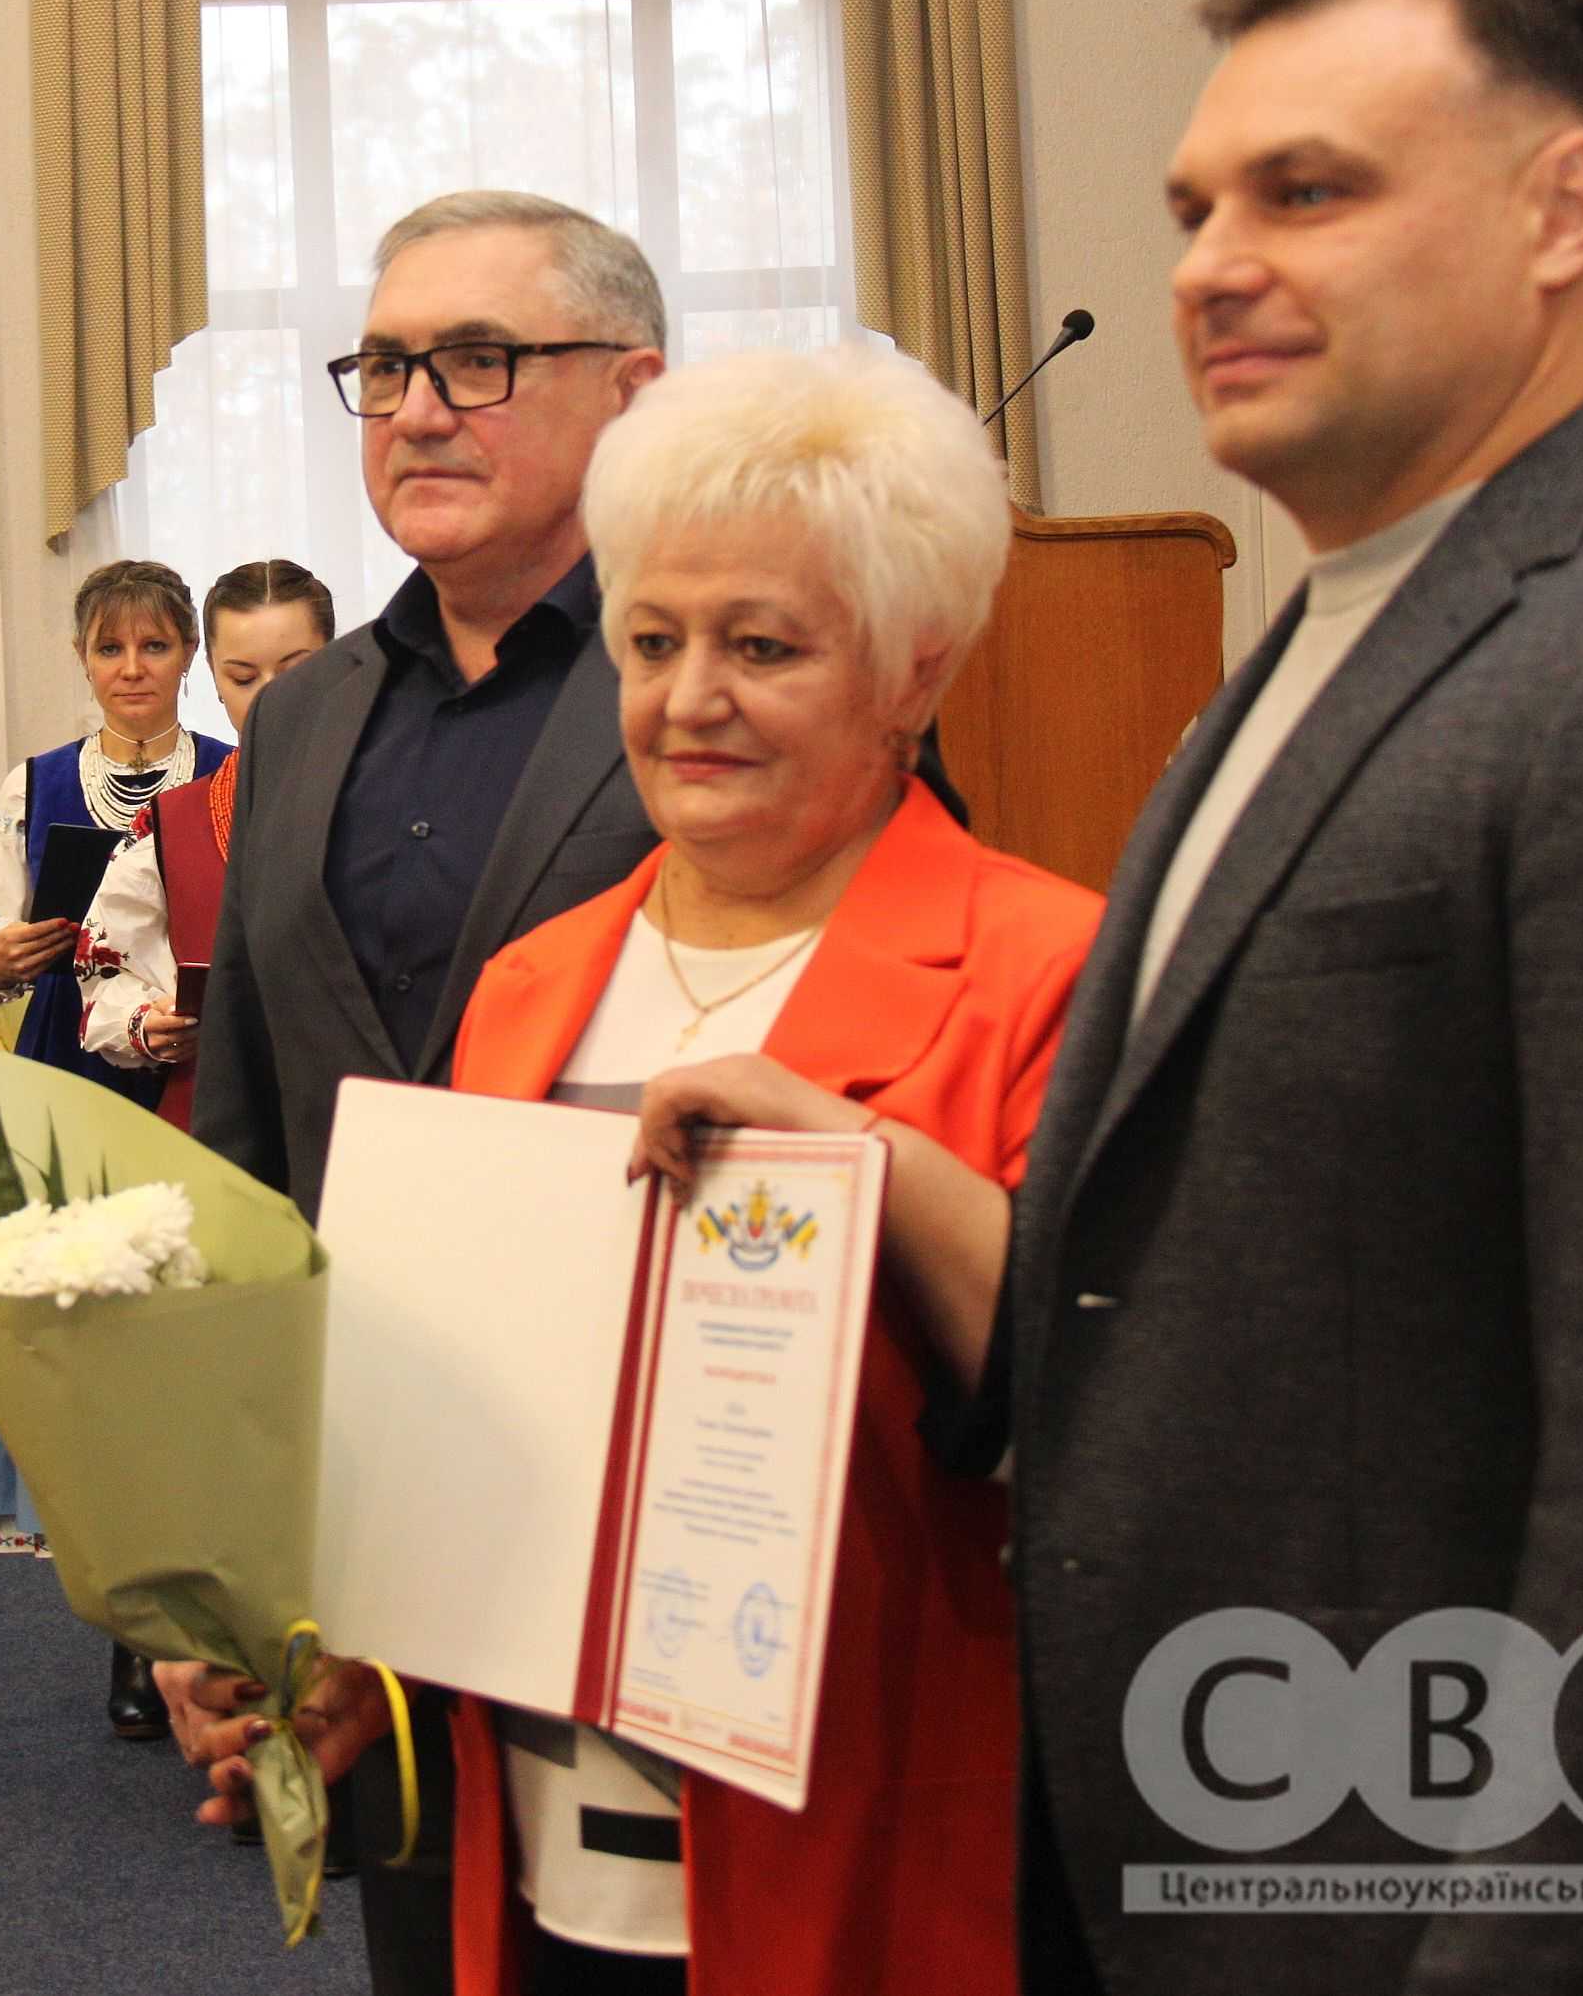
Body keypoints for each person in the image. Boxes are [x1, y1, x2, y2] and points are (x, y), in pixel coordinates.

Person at [926, 0, 1583, 1994]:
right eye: (1191, 210)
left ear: (1560, 212)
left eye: (1303, 193)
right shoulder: (1321, 647)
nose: (1212, 263)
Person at [169, 345, 1097, 1995]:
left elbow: (1125, 1428)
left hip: (860, 1853)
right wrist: (346, 1666)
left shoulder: (1048, 969)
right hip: (534, 1862)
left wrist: (865, 1160)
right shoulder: (538, 982)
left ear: (912, 672)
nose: (687, 701)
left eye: (764, 647)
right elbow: (472, 1430)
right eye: (652, 642)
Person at [179, 190, 670, 1995]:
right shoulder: (300, 718)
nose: (415, 406)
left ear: (633, 394)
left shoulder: (720, 678)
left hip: (643, 1493)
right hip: (372, 1497)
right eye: (383, 365)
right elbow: (244, 1137)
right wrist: (216, 1539)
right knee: (426, 1945)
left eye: (478, 359)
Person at [0, 559, 230, 1726]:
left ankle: (205, 1617)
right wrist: (2, 957)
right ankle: (129, 1631)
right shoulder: (35, 783)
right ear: (83, 660)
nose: (135, 670)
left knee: (184, 1352)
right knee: (100, 1360)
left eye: (157, 647)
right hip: (67, 1068)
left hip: (192, 1076)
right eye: (113, 650)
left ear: (188, 656)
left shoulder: (233, 776)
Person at [79, 558, 336, 1130]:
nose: (272, 698)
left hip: (362, 1114)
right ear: (213, 678)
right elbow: (107, 971)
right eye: (243, 678)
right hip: (218, 1122)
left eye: (297, 670)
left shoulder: (395, 803)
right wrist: (150, 1020)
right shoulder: (173, 821)